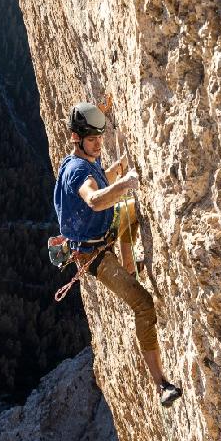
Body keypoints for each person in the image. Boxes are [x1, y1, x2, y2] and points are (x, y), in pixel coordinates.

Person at [53, 98, 182, 407]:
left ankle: (129, 264)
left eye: (100, 138)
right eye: (93, 140)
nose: (98, 144)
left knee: (134, 211)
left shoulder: (83, 158)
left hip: (103, 232)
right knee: (143, 303)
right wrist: (126, 182)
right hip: (96, 257)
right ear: (77, 139)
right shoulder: (76, 172)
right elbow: (95, 198)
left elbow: (101, 178)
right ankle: (161, 383)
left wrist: (119, 161)